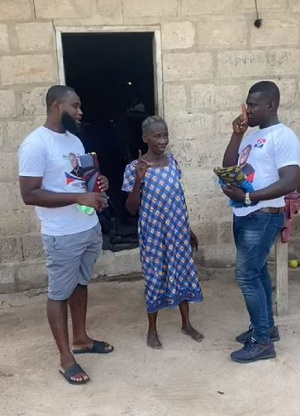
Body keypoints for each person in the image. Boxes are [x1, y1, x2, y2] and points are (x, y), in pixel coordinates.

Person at [18, 85, 114, 385]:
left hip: (86, 228)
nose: (80, 111)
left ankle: (81, 339)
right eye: (75, 105)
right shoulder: (35, 144)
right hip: (61, 234)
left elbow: (81, 181)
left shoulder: (74, 140)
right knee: (58, 293)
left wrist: (98, 186)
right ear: (57, 106)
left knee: (80, 284)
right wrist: (77, 200)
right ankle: (65, 358)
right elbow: (29, 194)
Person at [222, 81, 300, 363]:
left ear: (271, 105)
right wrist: (236, 134)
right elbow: (230, 166)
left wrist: (248, 196)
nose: (247, 110)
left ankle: (262, 342)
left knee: (246, 276)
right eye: (247, 104)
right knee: (258, 274)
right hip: (244, 213)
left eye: (253, 105)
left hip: (263, 216)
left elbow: (291, 181)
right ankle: (266, 327)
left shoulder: (284, 136)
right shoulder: (253, 136)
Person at [122, 115, 203, 349]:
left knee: (182, 272)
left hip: (177, 231)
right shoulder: (134, 168)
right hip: (154, 233)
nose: (162, 140)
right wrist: (139, 179)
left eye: (165, 135)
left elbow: (179, 199)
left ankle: (186, 324)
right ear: (145, 138)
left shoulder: (172, 162)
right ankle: (152, 329)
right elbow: (131, 208)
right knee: (155, 276)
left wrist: (188, 229)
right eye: (157, 136)